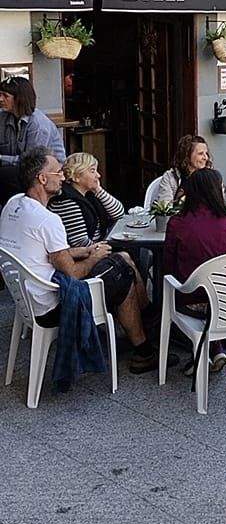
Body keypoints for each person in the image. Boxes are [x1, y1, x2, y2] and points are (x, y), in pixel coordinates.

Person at [1, 147, 153, 374]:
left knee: (120, 261)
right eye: (58, 173)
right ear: (42, 179)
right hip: (52, 303)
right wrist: (95, 256)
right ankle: (143, 351)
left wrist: (85, 250)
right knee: (121, 271)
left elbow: (47, 252)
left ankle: (146, 323)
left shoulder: (13, 205)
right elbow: (72, 273)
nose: (63, 177)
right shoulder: (48, 219)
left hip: (27, 297)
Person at [162, 167, 226, 374]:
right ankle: (215, 349)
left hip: (193, 301)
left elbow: (168, 267)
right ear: (217, 191)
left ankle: (201, 351)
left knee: (173, 290)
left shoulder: (178, 223)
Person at [50, 152, 125, 249]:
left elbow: (119, 214)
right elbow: (80, 242)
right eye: (92, 171)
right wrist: (107, 250)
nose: (98, 175)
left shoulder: (89, 194)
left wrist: (98, 189)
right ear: (76, 177)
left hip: (99, 246)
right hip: (85, 256)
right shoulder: (66, 201)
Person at [0, 77, 64, 170]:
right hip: (16, 168)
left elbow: (31, 162)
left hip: (46, 173)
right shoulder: (3, 115)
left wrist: (1, 158)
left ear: (20, 98)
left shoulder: (38, 124)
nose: (0, 99)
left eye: (5, 96)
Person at [144, 134, 210, 211]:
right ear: (187, 155)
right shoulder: (170, 177)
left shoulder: (211, 177)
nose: (206, 158)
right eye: (201, 154)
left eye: (206, 153)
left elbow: (217, 207)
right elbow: (165, 209)